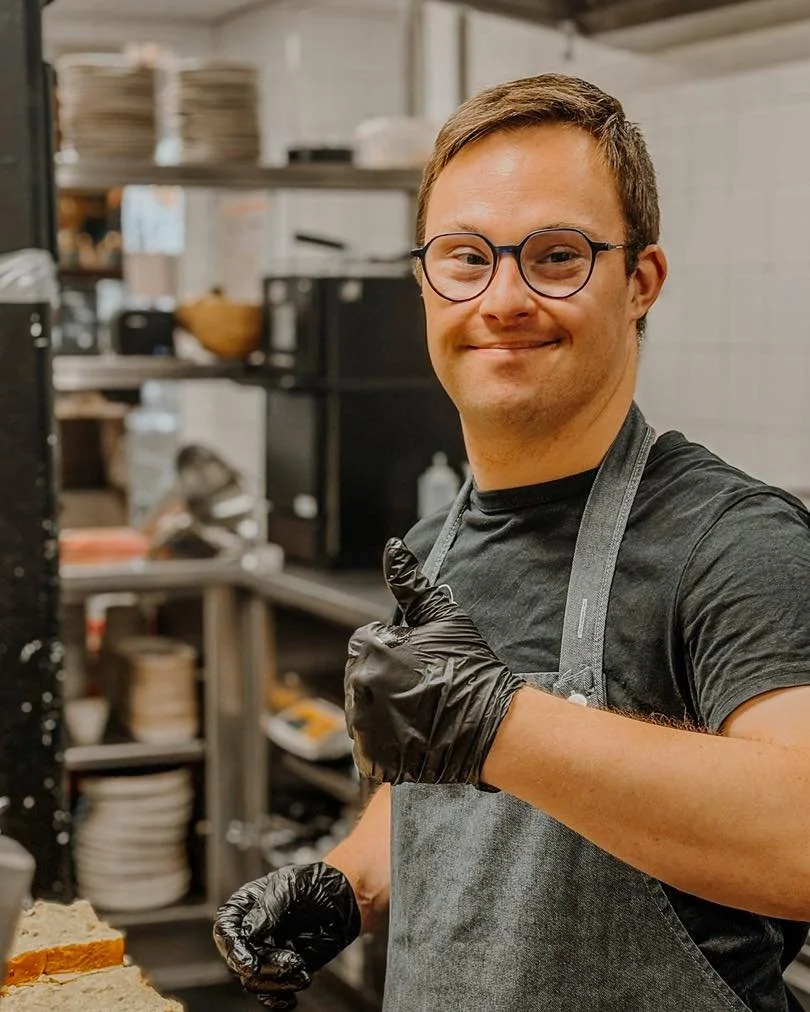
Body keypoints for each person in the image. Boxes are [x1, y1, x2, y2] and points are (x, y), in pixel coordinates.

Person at [213, 74, 810, 1011]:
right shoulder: (433, 545)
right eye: (465, 258)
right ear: (423, 282)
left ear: (641, 281)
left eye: (558, 256)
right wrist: (349, 885)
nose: (503, 298)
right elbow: (459, 804)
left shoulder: (731, 541)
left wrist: (501, 723)